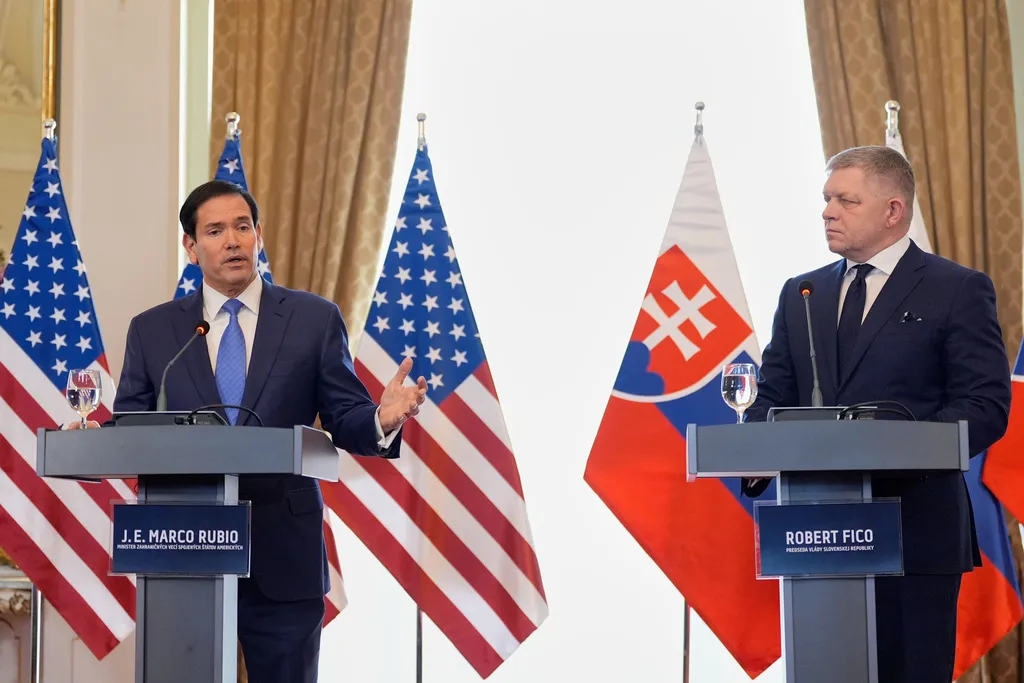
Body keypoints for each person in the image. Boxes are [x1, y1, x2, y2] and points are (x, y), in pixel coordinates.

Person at [73, 179, 427, 683]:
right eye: (215, 231)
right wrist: (86, 440)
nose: (233, 241)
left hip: (283, 551)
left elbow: (345, 416)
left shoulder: (313, 319)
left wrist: (381, 419)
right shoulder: (153, 331)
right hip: (185, 547)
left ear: (258, 235)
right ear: (191, 247)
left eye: (242, 227)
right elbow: (134, 428)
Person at [743, 146, 1011, 683]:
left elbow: (984, 405)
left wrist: (897, 450)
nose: (828, 212)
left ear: (893, 211)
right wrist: (753, 454)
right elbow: (772, 395)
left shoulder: (956, 288)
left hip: (915, 530)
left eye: (846, 200)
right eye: (827, 199)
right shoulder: (803, 293)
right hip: (817, 530)